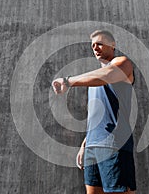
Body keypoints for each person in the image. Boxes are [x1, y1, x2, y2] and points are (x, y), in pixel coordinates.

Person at [52, 30, 136, 194]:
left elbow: (107, 75)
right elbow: (96, 117)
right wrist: (85, 145)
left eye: (99, 43)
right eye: (92, 45)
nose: (95, 48)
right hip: (92, 146)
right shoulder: (93, 81)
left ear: (112, 45)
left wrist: (68, 81)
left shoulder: (123, 63)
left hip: (115, 144)